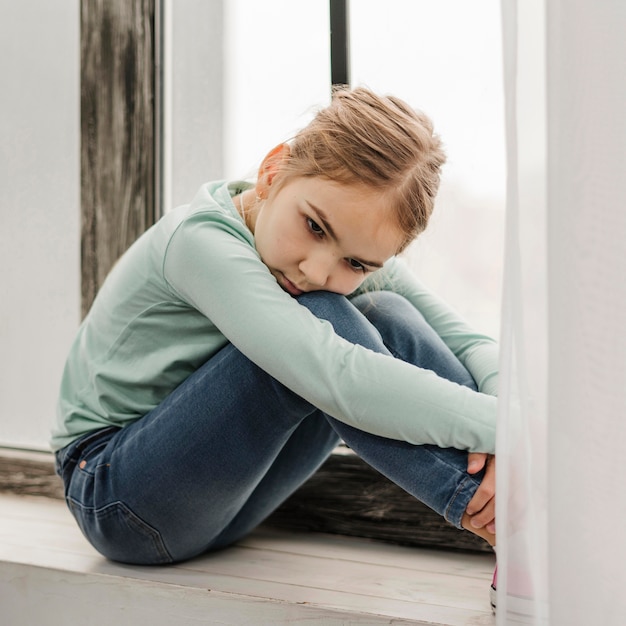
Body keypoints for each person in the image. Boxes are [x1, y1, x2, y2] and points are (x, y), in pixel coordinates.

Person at [52, 88, 498, 580]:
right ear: (271, 172)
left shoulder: (342, 258)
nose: (315, 268)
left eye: (356, 261)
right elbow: (340, 376)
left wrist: (507, 439)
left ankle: (505, 489)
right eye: (314, 226)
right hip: (116, 496)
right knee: (320, 328)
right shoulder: (200, 242)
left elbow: (468, 343)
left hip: (225, 505)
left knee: (383, 309)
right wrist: (518, 429)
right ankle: (506, 519)